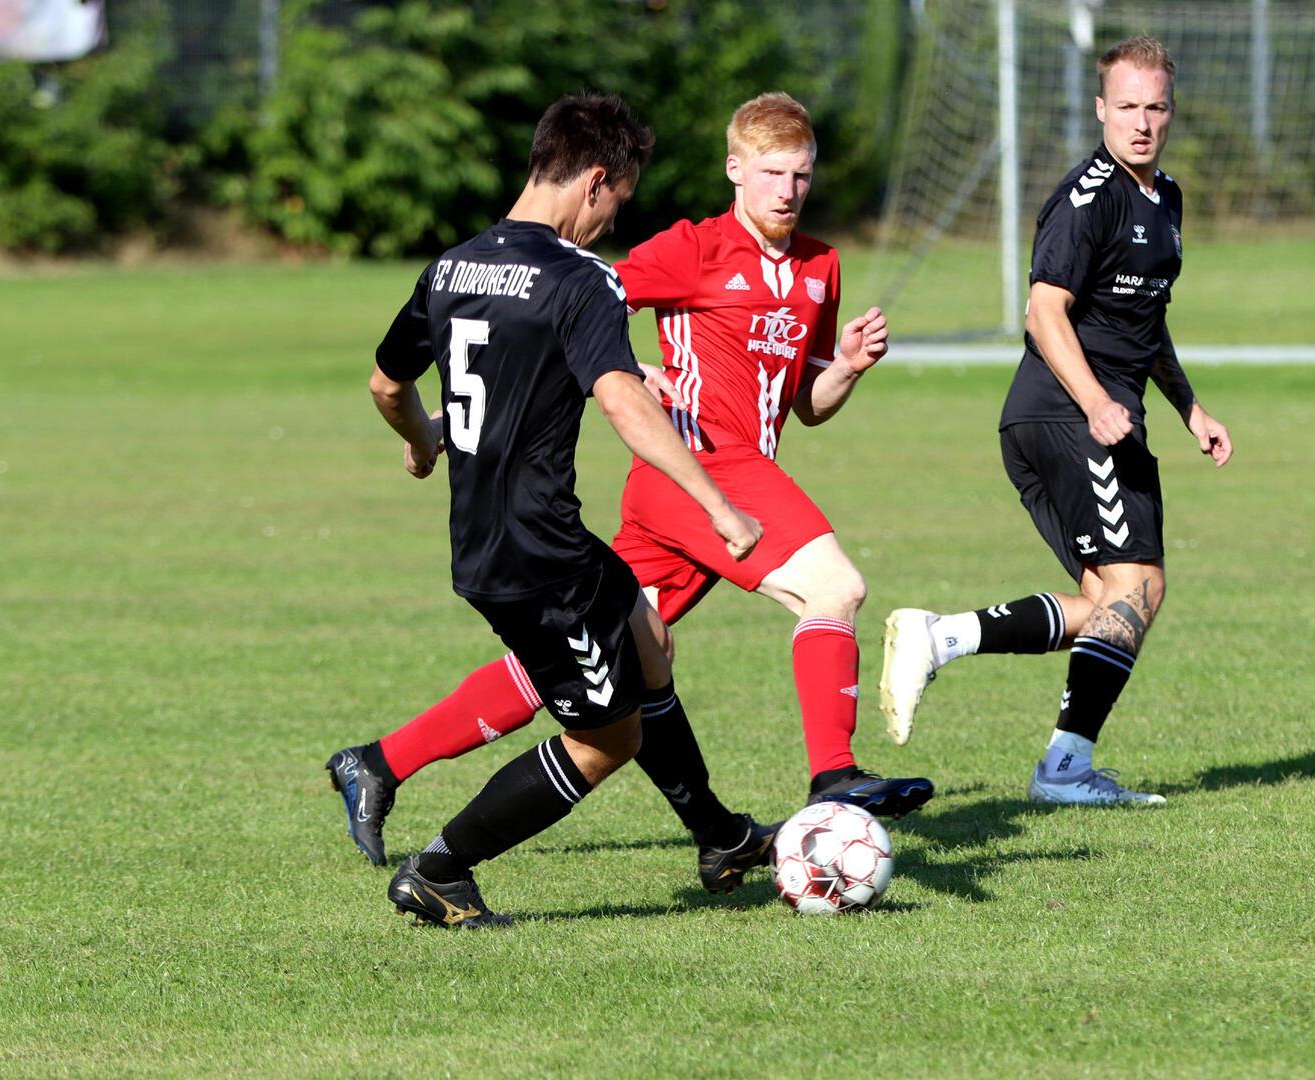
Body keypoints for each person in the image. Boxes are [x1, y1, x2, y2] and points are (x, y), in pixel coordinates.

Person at [327, 92, 932, 889]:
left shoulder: (821, 268)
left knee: (615, 655)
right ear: (735, 170)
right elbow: (567, 306)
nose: (788, 189)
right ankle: (834, 778)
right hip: (703, 472)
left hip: (726, 475)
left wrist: (847, 367)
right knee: (836, 588)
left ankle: (382, 761)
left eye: (802, 176)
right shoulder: (689, 250)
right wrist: (622, 373)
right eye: (773, 173)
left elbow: (804, 407)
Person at [363, 93, 760, 928]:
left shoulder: (453, 266)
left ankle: (720, 836)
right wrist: (718, 505)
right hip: (534, 557)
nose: (611, 223)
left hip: (507, 539)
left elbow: (387, 384)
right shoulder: (579, 280)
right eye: (617, 202)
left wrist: (425, 438)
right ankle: (440, 869)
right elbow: (622, 403)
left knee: (651, 641)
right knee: (606, 740)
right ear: (594, 180)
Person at [877, 37, 1233, 807]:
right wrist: (1098, 402)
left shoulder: (1165, 198)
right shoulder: (1089, 195)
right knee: (1137, 586)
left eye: (1156, 107)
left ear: (1172, 111)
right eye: (1128, 106)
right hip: (1070, 413)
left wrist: (1189, 405)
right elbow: (1043, 312)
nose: (1142, 122)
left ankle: (946, 639)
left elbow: (1146, 320)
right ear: (1101, 109)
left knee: (1115, 602)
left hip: (1094, 417)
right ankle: (1063, 768)